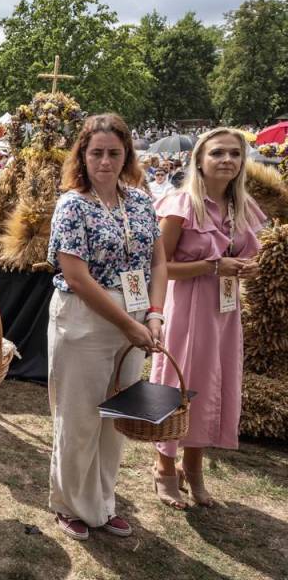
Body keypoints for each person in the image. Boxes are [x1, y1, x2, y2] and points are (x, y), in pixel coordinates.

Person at [46, 114, 167, 540]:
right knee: (79, 417)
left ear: (127, 155)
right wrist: (129, 324)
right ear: (82, 155)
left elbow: (158, 262)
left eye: (114, 153)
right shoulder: (72, 205)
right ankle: (70, 504)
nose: (105, 161)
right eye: (96, 152)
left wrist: (154, 314)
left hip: (136, 315)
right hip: (84, 317)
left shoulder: (140, 201)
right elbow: (76, 277)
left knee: (116, 418)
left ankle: (101, 502)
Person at [149, 128, 265, 509]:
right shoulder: (180, 204)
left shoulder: (242, 208)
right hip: (186, 307)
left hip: (224, 313)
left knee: (213, 381)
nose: (227, 160)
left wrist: (248, 268)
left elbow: (249, 255)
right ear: (199, 159)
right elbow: (160, 266)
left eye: (234, 153)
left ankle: (193, 466)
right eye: (217, 153)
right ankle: (164, 466)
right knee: (179, 383)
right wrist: (211, 266)